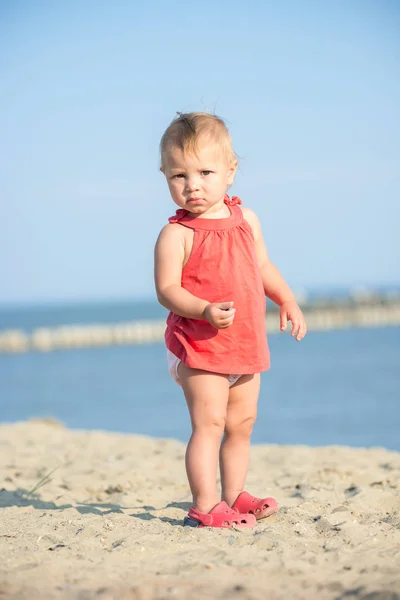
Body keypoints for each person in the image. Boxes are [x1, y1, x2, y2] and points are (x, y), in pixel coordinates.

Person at [154, 112, 307, 528]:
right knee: (210, 424)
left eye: (205, 172)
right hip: (200, 346)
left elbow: (262, 266)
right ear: (165, 175)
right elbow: (167, 289)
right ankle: (204, 505)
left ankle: (234, 494)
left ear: (231, 171)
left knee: (241, 424)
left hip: (245, 344)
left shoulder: (248, 221)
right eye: (179, 175)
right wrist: (203, 309)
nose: (193, 185)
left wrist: (286, 299)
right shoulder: (177, 235)